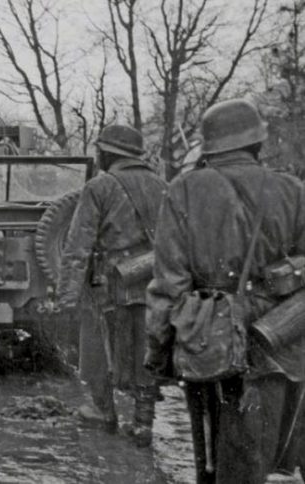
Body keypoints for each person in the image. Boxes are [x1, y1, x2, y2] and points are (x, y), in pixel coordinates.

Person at [146, 98, 305, 483]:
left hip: (208, 337)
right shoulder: (292, 189)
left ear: (210, 146)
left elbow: (170, 282)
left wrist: (159, 346)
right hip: (281, 337)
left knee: (215, 460)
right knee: (261, 452)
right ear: (257, 143)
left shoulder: (184, 189)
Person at [55, 124, 167, 447]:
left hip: (110, 284)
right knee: (147, 350)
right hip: (153, 283)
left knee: (98, 351)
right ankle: (144, 422)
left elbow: (77, 247)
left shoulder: (99, 186)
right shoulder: (163, 186)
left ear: (107, 152)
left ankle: (103, 412)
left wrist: (65, 298)